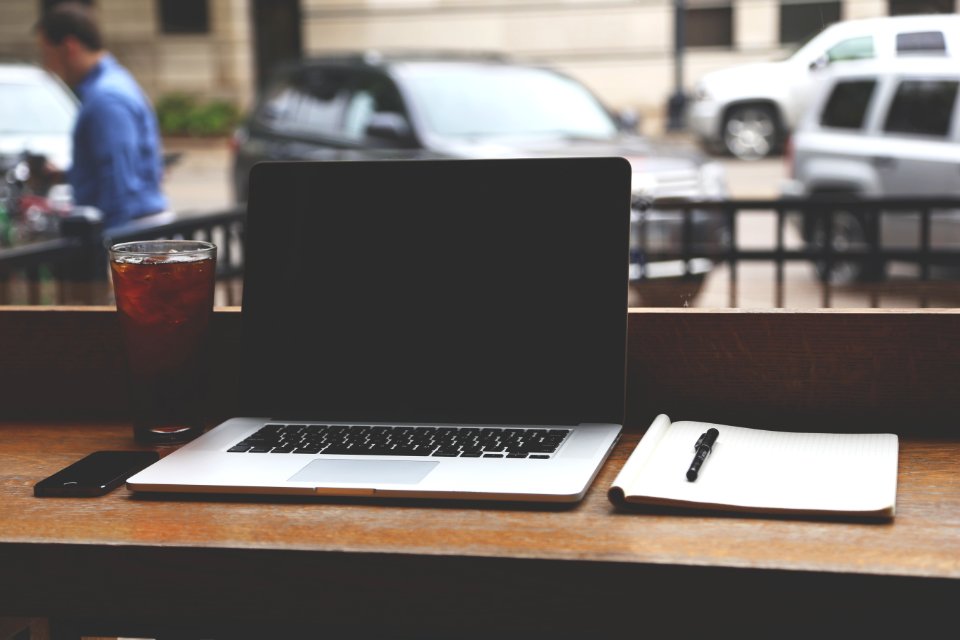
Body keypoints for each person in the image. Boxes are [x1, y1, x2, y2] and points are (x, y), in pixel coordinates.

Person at [35, 2, 168, 229]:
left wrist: (107, 250)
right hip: (136, 231)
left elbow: (119, 184)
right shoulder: (110, 85)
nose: (48, 67)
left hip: (130, 236)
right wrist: (69, 174)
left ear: (69, 47)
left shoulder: (106, 99)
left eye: (47, 54)